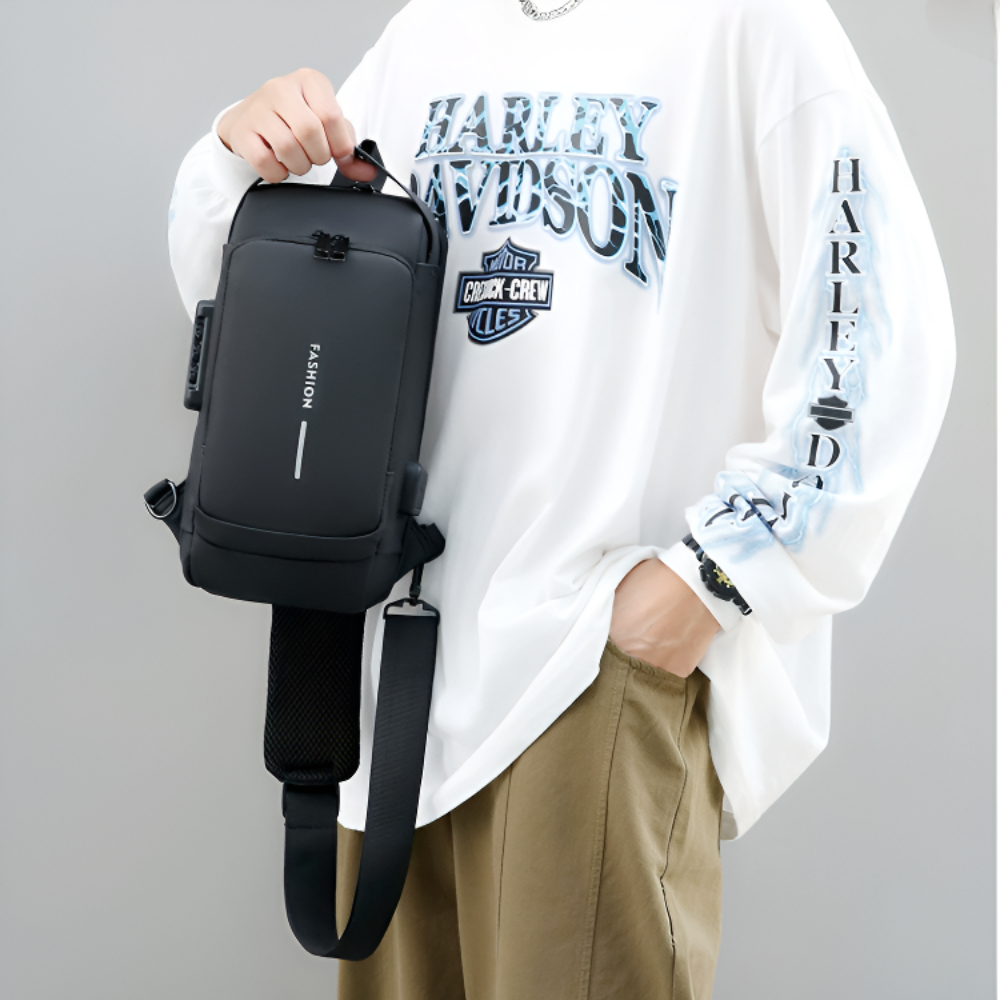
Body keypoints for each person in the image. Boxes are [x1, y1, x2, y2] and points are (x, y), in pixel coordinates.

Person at [167, 0, 955, 995]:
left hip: (587, 668)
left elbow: (876, 324)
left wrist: (708, 582)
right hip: (393, 688)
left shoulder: (750, 24)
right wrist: (237, 155)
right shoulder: (430, 33)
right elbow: (254, 317)